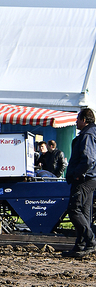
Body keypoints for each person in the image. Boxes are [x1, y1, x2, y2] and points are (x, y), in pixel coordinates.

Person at [63, 108, 96, 257]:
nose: (76, 121)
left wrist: (77, 174)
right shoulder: (91, 133)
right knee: (84, 212)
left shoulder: (87, 134)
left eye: (78, 118)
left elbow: (88, 159)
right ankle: (81, 245)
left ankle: (90, 240)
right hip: (91, 178)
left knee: (74, 209)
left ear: (84, 120)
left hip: (84, 179)